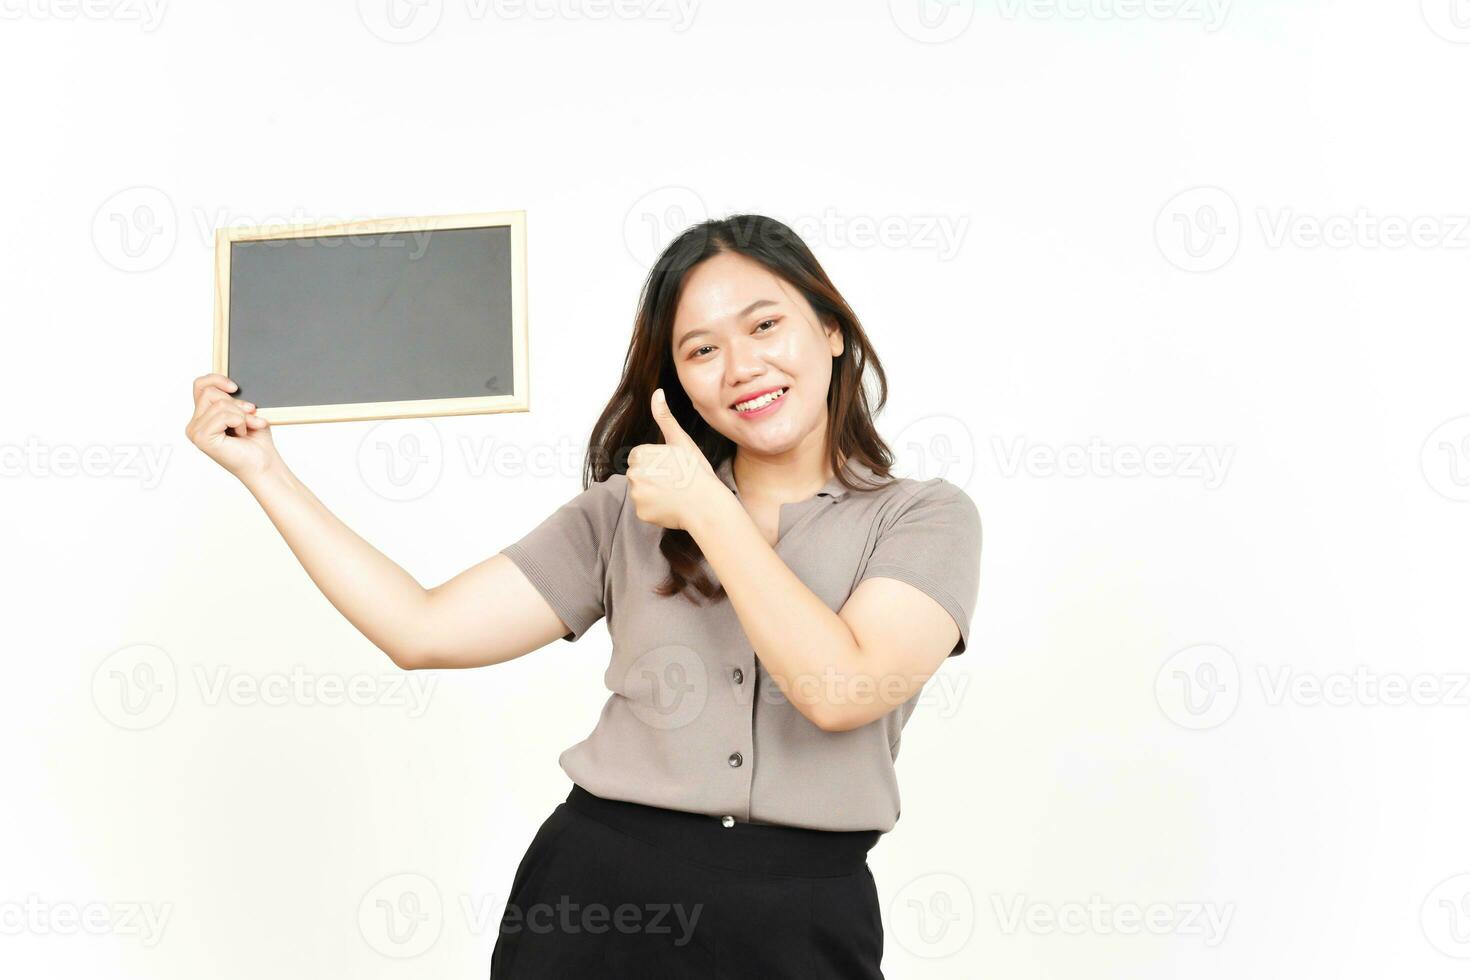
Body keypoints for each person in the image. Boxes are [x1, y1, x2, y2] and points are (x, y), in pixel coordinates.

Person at [185, 213, 981, 978]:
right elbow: (420, 629)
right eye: (702, 349)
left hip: (802, 920)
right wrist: (266, 474)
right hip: (596, 904)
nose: (741, 368)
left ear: (831, 330)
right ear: (678, 380)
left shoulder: (924, 518)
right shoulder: (622, 514)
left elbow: (841, 690)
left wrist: (709, 509)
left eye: (765, 326)